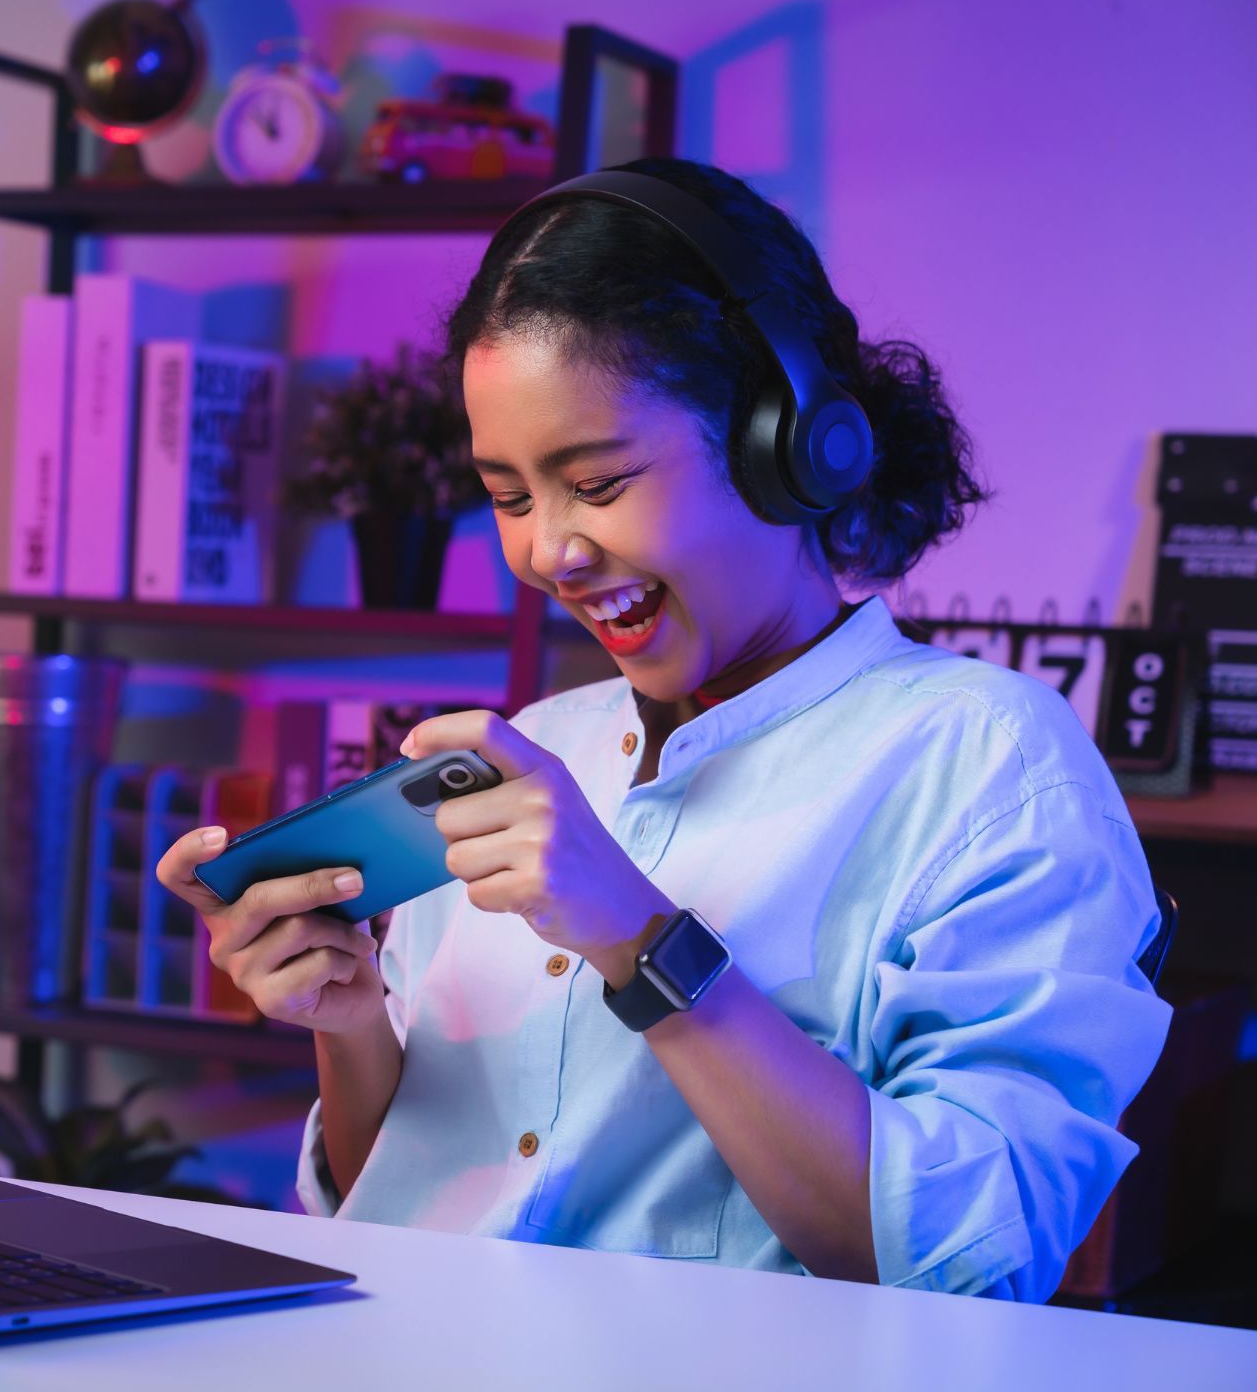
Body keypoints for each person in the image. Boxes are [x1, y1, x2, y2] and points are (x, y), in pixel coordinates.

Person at [155, 158, 1170, 1300]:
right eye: (508, 494)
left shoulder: (990, 761)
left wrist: (642, 941)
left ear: (781, 442)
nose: (549, 550)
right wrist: (346, 1023)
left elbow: (972, 1266)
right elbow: (392, 1196)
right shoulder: (529, 747)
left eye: (597, 481)